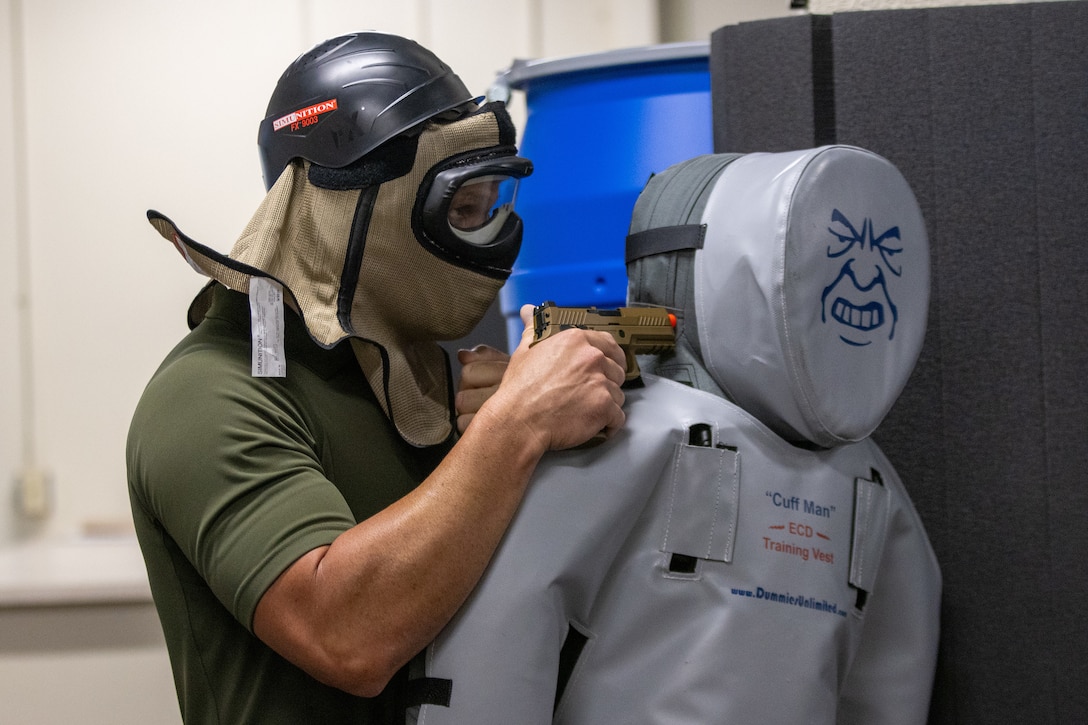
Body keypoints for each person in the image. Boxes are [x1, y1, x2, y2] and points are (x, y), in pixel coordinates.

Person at [126, 32, 626, 724]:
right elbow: (345, 636)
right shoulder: (209, 394)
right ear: (352, 207)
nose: (484, 237)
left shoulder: (414, 374)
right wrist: (516, 427)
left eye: (486, 207)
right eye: (460, 209)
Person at [414, 147, 942, 724]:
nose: (865, 278)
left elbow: (497, 641)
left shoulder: (620, 433)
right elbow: (897, 681)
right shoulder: (869, 483)